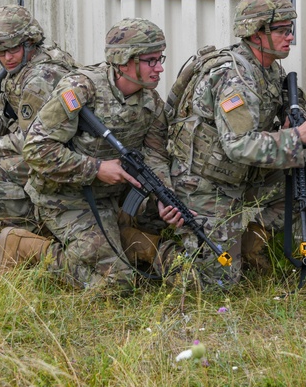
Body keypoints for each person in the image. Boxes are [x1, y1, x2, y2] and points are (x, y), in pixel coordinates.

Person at [166, 0, 306, 287]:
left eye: (290, 29)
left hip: (241, 176)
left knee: (303, 188)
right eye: (282, 30)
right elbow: (239, 145)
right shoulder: (236, 80)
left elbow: (286, 102)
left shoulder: (267, 70)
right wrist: (296, 136)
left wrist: (296, 117)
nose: (289, 38)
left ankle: (249, 241)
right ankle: (150, 249)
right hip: (207, 185)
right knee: (218, 283)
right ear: (256, 34)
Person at [15, 18, 183, 291]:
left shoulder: (150, 102)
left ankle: (120, 239)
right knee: (116, 283)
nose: (160, 68)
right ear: (124, 61)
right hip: (65, 198)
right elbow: (36, 149)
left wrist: (164, 196)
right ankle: (22, 246)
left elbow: (155, 155)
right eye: (150, 61)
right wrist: (96, 168)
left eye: (159, 58)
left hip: (109, 199)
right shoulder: (82, 91)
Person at [0, 6, 77, 242]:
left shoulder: (40, 78)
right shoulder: (24, 68)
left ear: (29, 42)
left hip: (67, 153)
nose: (7, 57)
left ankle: (28, 239)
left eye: (13, 49)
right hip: (55, 146)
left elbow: (32, 140)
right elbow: (15, 118)